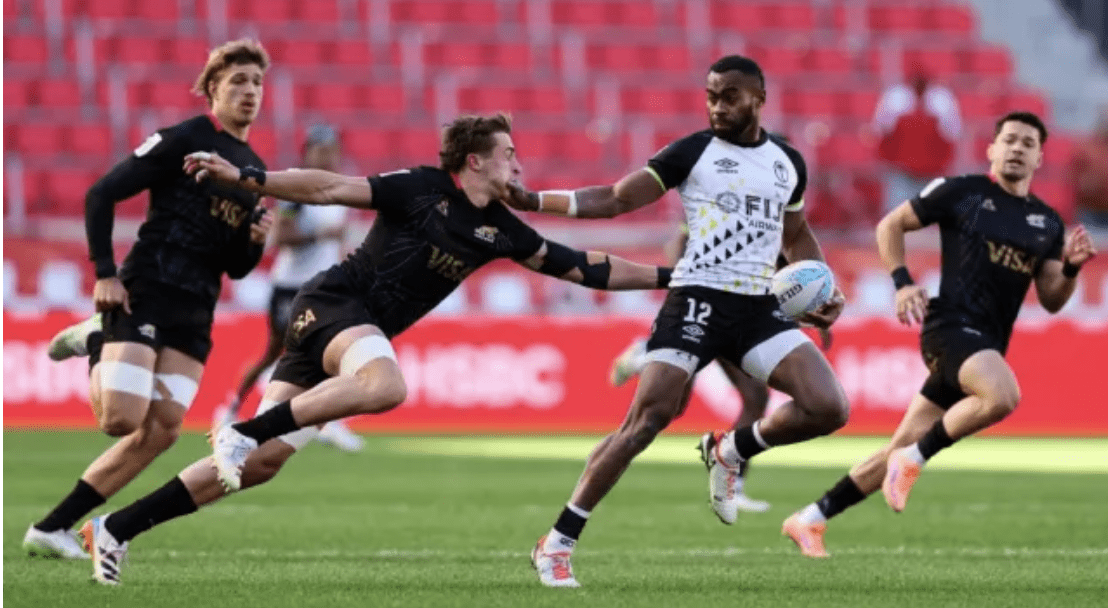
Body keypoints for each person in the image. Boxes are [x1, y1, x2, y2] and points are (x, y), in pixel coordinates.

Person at [76, 113, 674, 585]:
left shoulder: (503, 227)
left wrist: (669, 276)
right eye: (509, 153)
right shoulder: (420, 187)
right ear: (476, 160)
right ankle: (243, 430)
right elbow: (332, 186)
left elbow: (584, 268)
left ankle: (115, 529)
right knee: (385, 386)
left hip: (346, 332)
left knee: (260, 468)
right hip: (331, 305)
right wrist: (249, 178)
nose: (518, 162)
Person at [504, 55, 850, 588]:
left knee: (829, 407)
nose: (716, 105)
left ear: (758, 98)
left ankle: (730, 449)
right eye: (710, 95)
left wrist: (821, 285)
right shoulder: (694, 151)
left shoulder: (788, 163)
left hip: (759, 306)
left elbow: (796, 234)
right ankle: (556, 543)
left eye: (728, 96)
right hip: (697, 299)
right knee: (647, 421)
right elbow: (617, 198)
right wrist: (533, 200)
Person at [782, 111, 1098, 558]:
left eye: (1027, 143)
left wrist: (1069, 267)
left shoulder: (1046, 222)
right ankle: (916, 460)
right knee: (1003, 395)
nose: (1016, 148)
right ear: (992, 148)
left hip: (983, 344)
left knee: (895, 446)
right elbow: (890, 225)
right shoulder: (963, 192)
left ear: (1040, 157)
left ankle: (811, 518)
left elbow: (1051, 297)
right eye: (1008, 139)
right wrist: (901, 282)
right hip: (948, 328)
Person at [22, 39, 274, 561]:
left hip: (196, 309)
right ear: (212, 90)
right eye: (238, 82)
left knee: (162, 431)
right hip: (150, 287)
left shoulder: (253, 169)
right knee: (120, 419)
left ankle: (52, 528)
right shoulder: (183, 138)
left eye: (256, 83)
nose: (249, 92)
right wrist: (104, 273)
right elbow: (101, 194)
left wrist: (255, 240)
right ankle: (97, 333)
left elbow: (236, 268)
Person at [609, 226, 836, 514]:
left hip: (745, 313)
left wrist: (816, 306)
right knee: (676, 405)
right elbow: (677, 238)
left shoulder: (782, 215)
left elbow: (790, 266)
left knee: (754, 397)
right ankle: (644, 355)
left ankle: (734, 482)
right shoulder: (734, 199)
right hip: (711, 307)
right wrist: (686, 287)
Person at [212, 124, 364, 452]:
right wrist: (322, 236)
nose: (327, 157)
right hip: (291, 286)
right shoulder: (297, 190)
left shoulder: (343, 192)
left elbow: (337, 245)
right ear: (308, 153)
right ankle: (231, 408)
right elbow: (280, 236)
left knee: (335, 354)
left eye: (332, 151)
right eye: (321, 151)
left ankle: (328, 422)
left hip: (323, 288)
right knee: (275, 352)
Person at [873, 68, 962, 213]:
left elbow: (953, 133)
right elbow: (880, 131)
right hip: (901, 172)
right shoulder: (894, 98)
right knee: (899, 219)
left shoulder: (943, 99)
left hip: (932, 173)